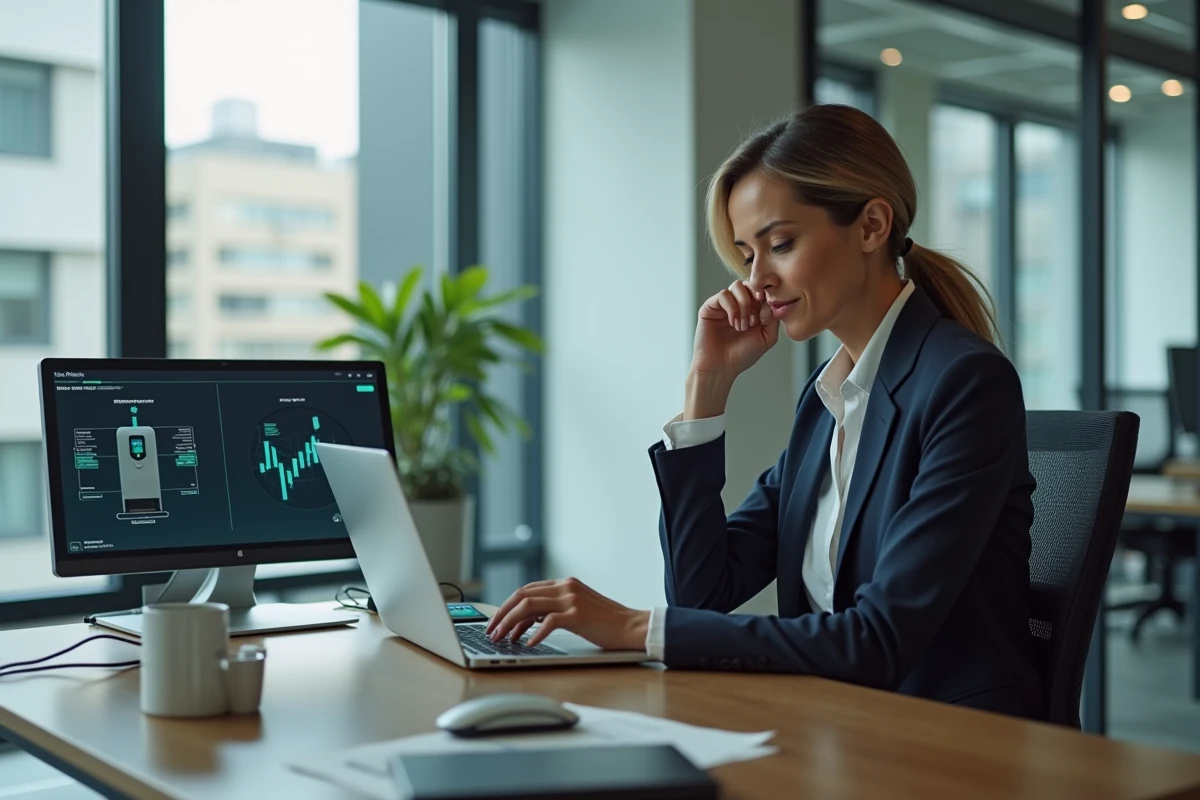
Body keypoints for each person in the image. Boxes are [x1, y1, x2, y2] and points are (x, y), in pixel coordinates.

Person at [485, 104, 1044, 720]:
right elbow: (705, 590)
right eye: (748, 256)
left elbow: (879, 640)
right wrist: (707, 386)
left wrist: (633, 627)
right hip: (838, 726)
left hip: (948, 738)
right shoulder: (828, 399)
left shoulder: (963, 382)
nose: (758, 282)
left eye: (780, 244)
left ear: (871, 225)